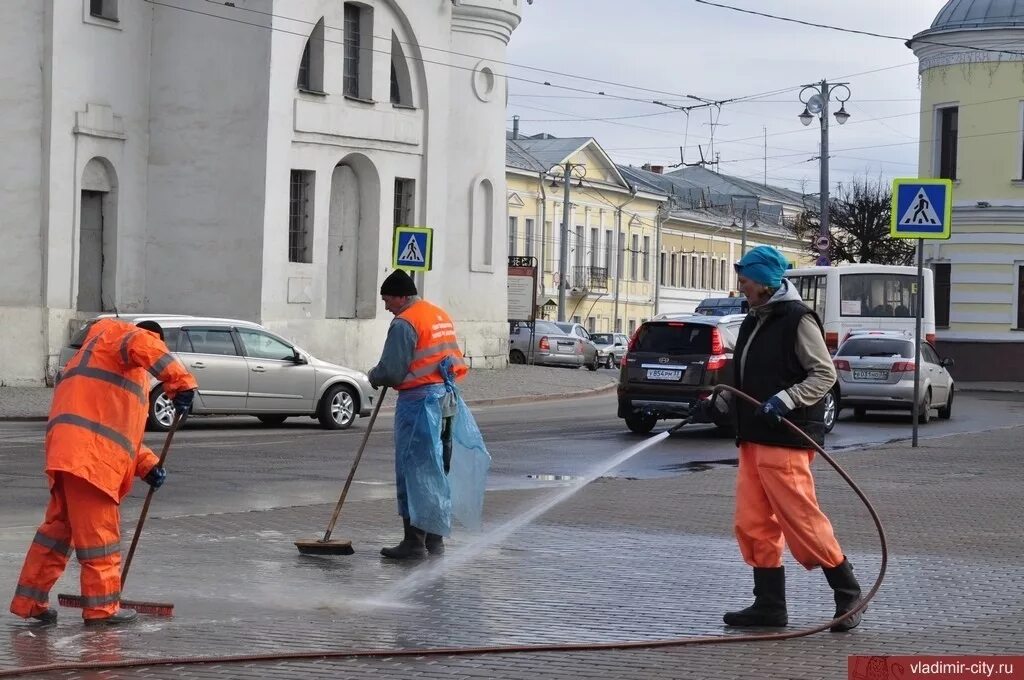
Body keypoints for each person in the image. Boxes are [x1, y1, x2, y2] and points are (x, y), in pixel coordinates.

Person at [693, 246, 864, 632]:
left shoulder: (797, 319)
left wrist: (785, 400)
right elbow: (746, 374)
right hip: (752, 437)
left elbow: (824, 375)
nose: (742, 285)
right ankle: (769, 605)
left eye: (747, 279)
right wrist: (719, 399)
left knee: (800, 519)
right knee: (752, 522)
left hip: (786, 438)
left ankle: (848, 592)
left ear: (767, 283)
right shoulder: (755, 319)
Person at [10, 318, 197, 625]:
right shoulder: (125, 335)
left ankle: (29, 601)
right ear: (155, 338)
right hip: (91, 462)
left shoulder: (99, 361)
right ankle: (102, 610)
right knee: (101, 538)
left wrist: (148, 466)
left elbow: (117, 434)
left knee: (56, 533)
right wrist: (180, 382)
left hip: (69, 455)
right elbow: (146, 347)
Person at [368, 270, 468, 560]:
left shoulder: (405, 323)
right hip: (445, 399)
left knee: (413, 469)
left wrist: (374, 375)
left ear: (400, 296)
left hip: (419, 401)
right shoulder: (437, 315)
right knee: (436, 468)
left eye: (387, 300)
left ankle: (413, 543)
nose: (386, 306)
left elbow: (392, 370)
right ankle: (434, 541)